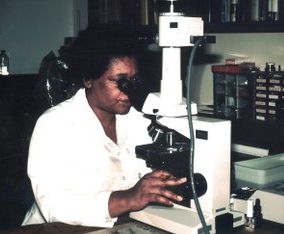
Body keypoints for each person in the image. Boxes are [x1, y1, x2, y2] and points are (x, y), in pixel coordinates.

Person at [22, 26, 187, 228]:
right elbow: (54, 206)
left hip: (124, 225)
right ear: (88, 79)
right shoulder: (54, 125)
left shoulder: (140, 119)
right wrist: (129, 198)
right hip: (57, 230)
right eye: (120, 82)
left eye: (134, 81)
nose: (130, 91)